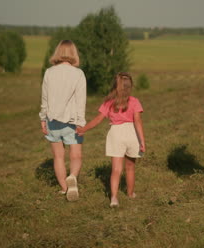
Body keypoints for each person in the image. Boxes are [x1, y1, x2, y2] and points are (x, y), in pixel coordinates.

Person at [76, 72, 145, 208]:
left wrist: (83, 129)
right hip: (132, 134)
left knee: (116, 169)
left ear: (115, 86)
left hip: (116, 134)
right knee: (130, 167)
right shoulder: (134, 101)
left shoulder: (109, 102)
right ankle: (131, 194)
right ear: (130, 87)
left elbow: (98, 120)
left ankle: (114, 198)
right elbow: (137, 121)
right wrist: (142, 141)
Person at [39, 40, 87, 201]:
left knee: (58, 156)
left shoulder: (49, 72)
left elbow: (44, 99)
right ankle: (72, 176)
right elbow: (81, 101)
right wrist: (81, 122)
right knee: (76, 155)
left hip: (52, 120)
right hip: (72, 121)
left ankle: (64, 189)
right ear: (74, 53)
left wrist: (42, 119)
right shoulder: (78, 74)